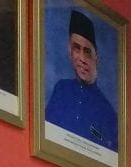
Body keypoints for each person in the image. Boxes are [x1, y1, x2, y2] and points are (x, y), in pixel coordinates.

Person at [43, 9, 118, 151]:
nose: (82, 59)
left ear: (96, 58)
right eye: (77, 49)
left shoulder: (107, 112)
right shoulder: (61, 89)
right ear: (70, 51)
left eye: (87, 52)